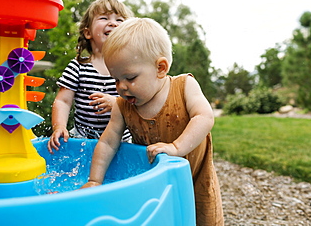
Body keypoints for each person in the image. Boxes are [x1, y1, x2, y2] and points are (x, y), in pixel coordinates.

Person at [80, 18, 224, 225]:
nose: (121, 86)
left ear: (160, 68)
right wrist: (94, 180)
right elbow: (107, 143)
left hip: (196, 178)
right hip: (153, 182)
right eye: (116, 79)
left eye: (130, 78)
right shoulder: (122, 106)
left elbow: (204, 117)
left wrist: (176, 147)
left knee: (202, 218)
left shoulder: (184, 87)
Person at [47, 0, 133, 154]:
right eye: (104, 18)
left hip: (122, 142)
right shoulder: (78, 67)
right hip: (83, 140)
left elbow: (139, 102)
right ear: (88, 32)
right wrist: (59, 126)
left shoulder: (130, 69)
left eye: (119, 20)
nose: (113, 23)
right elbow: (63, 101)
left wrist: (118, 104)